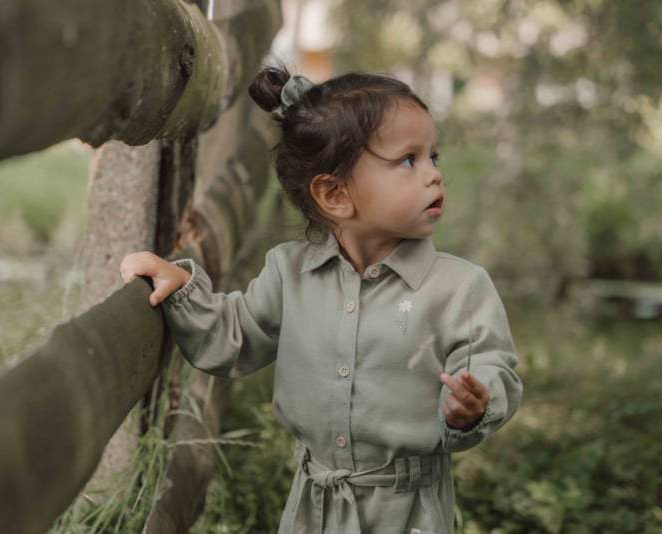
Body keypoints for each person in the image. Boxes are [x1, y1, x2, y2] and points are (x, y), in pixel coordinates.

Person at [119, 64, 523, 534]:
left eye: (434, 156)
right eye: (408, 161)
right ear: (334, 194)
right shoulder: (290, 274)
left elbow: (491, 365)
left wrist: (475, 404)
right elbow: (235, 334)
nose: (434, 175)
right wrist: (183, 288)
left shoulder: (458, 288)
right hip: (315, 505)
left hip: (408, 511)